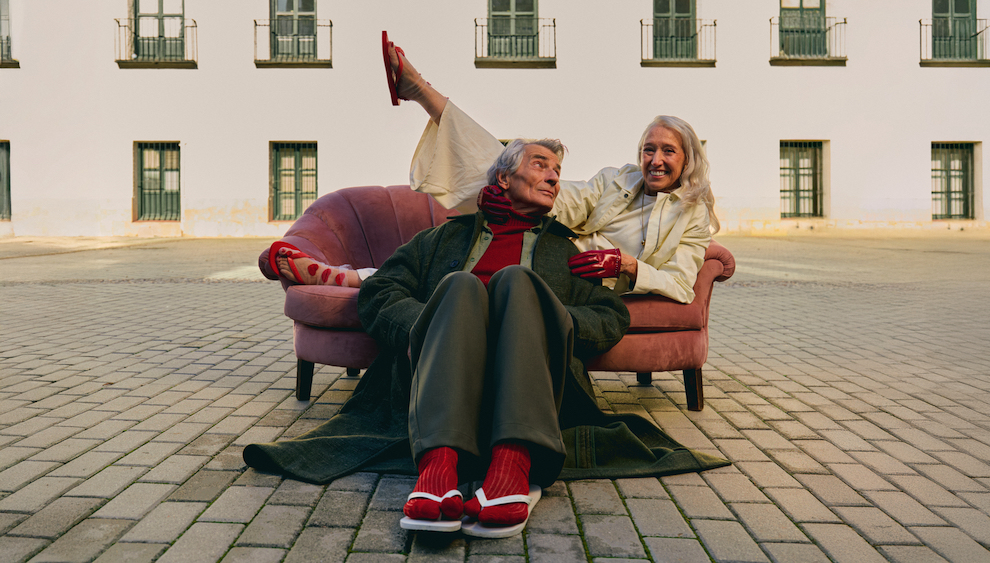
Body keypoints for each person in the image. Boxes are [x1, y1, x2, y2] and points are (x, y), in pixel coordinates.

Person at [243, 138, 729, 537]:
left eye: (558, 169)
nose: (555, 176)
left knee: (517, 284)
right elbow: (382, 290)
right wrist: (428, 325)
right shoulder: (443, 239)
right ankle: (438, 469)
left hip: (534, 378)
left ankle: (512, 464)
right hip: (438, 367)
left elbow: (608, 317)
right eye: (541, 164)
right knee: (459, 287)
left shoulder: (566, 250)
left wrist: (548, 321)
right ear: (503, 178)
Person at [382, 32, 719, 303]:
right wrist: (513, 195)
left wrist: (628, 266)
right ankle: (422, 92)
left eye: (668, 152)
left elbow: (680, 285)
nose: (655, 160)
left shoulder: (694, 215)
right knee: (508, 168)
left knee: (503, 183)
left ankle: (420, 90)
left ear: (687, 159)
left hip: (587, 287)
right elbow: (568, 199)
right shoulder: (618, 179)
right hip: (554, 254)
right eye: (649, 150)